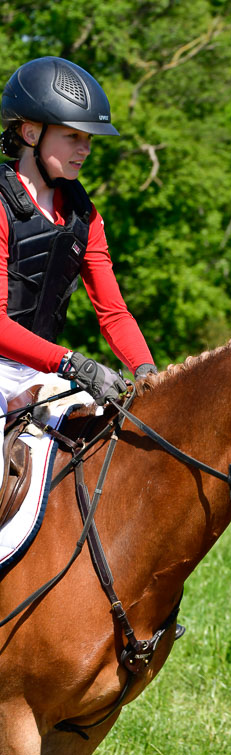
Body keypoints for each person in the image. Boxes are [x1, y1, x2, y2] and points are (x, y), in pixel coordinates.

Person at [0, 56, 158, 481]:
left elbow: (113, 312)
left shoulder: (84, 217)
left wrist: (146, 372)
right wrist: (72, 364)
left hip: (38, 372)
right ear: (31, 133)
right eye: (73, 137)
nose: (85, 149)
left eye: (88, 138)